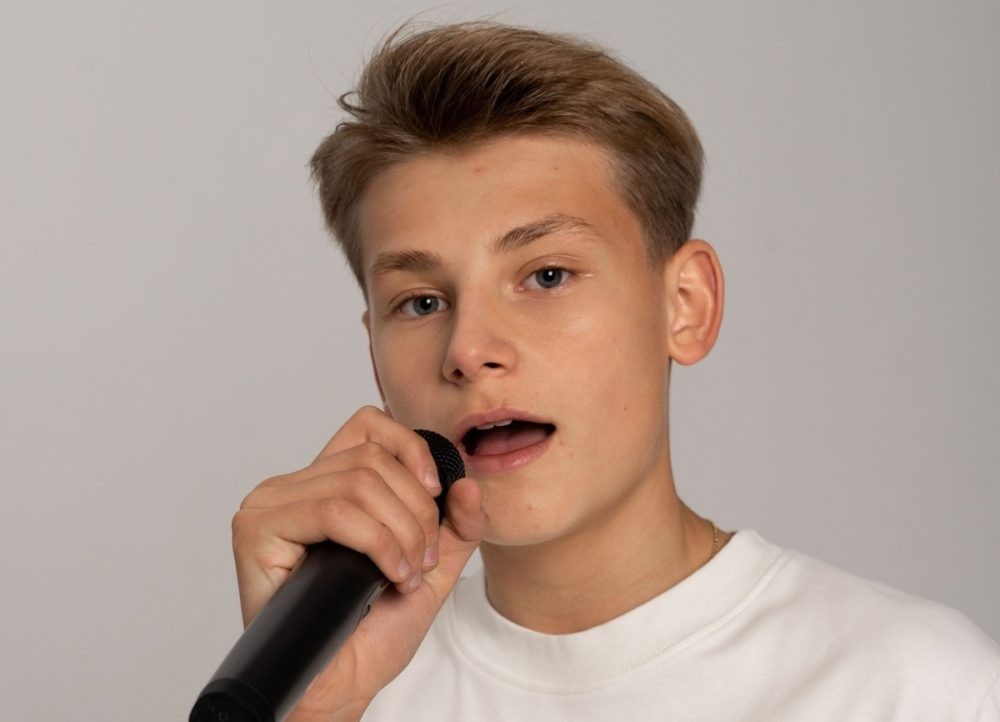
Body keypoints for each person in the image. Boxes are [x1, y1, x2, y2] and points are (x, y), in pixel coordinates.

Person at [230, 21, 1000, 722]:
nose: (468, 349)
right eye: (422, 302)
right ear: (374, 353)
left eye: (547, 276)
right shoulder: (351, 686)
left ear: (686, 305)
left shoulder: (915, 688)